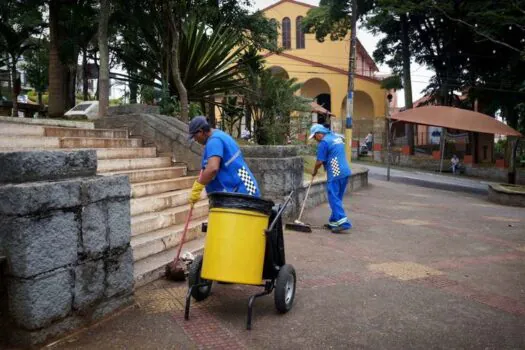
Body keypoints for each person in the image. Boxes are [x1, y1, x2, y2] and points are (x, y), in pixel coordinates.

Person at [188, 116, 261, 204]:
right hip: (245, 185)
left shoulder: (214, 141)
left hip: (242, 191)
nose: (195, 139)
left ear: (201, 131)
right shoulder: (219, 135)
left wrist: (198, 186)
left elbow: (212, 168)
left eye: (194, 136)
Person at [309, 124, 352, 233]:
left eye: (314, 137)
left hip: (335, 171)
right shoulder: (335, 137)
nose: (315, 139)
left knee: (333, 197)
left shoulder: (324, 142)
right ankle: (334, 221)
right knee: (337, 197)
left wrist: (314, 171)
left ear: (319, 134)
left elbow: (319, 161)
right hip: (345, 171)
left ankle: (343, 222)